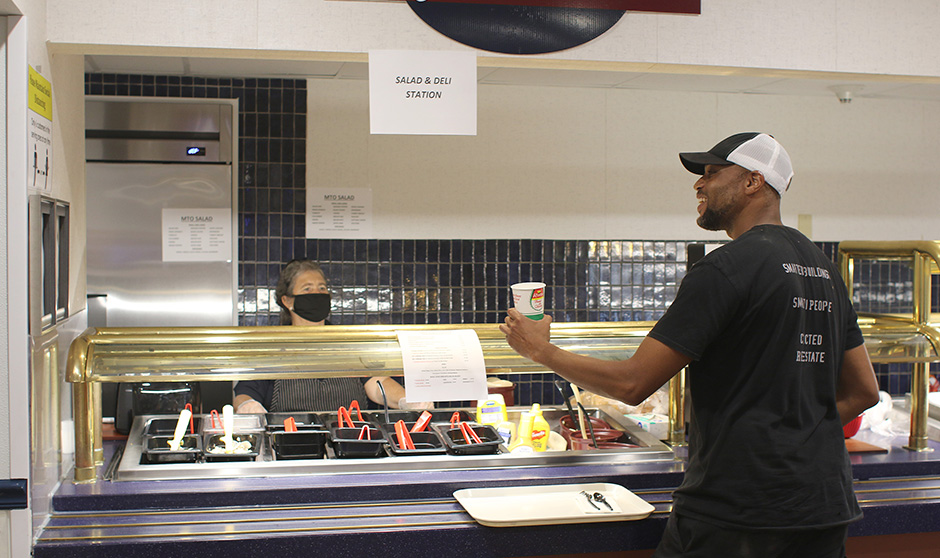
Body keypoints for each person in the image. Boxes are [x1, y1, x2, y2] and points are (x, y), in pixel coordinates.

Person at [500, 132, 880, 558]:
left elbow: (632, 384)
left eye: (713, 173)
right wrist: (794, 435)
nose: (699, 184)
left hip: (738, 512)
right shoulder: (823, 267)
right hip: (824, 509)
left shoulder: (725, 268)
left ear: (754, 181)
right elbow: (863, 391)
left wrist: (541, 352)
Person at [235, 259, 420, 413]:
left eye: (322, 288)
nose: (317, 294)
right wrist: (248, 406)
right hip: (291, 444)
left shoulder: (347, 342)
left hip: (350, 442)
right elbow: (244, 393)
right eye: (307, 289)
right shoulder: (272, 348)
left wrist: (406, 399)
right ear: (287, 301)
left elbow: (377, 384)